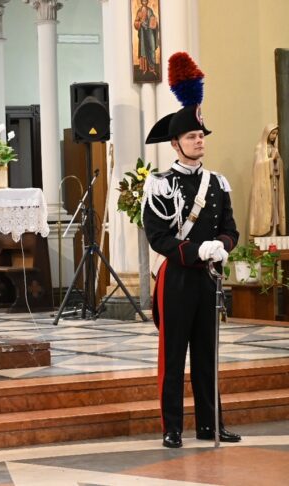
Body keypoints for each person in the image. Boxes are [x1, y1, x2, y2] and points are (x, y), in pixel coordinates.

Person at [142, 52, 241, 448]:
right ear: (175, 143)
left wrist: (223, 247)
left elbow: (231, 228)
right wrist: (197, 251)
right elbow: (159, 238)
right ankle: (171, 428)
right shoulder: (159, 184)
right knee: (173, 357)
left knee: (207, 355)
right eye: (191, 137)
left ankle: (210, 425)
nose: (199, 141)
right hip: (178, 278)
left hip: (208, 280)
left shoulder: (218, 183)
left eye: (201, 136)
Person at [249, 123, 286, 237]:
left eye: (276, 134)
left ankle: (274, 233)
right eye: (273, 133)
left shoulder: (275, 149)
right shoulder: (260, 148)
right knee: (265, 210)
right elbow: (258, 166)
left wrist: (277, 162)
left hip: (274, 184)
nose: (274, 136)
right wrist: (271, 161)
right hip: (264, 187)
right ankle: (264, 233)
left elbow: (279, 165)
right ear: (267, 133)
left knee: (275, 210)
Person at [134, 0, 159, 77]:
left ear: (147, 2)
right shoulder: (139, 11)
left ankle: (152, 68)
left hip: (150, 31)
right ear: (141, 2)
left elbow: (153, 20)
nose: (144, 2)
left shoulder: (150, 10)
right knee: (144, 50)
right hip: (143, 33)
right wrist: (140, 23)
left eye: (145, 1)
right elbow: (135, 22)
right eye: (143, 1)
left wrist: (154, 21)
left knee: (151, 48)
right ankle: (145, 69)